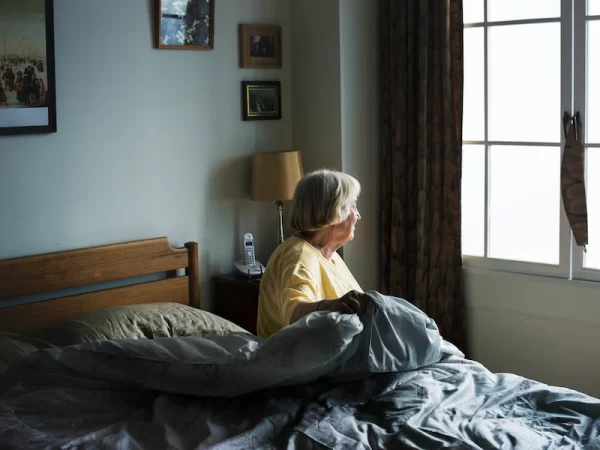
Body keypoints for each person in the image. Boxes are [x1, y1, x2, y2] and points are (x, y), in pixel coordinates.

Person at [256, 169, 369, 338]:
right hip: (295, 358)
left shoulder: (329, 255)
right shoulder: (299, 256)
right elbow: (294, 313)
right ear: (335, 211)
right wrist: (332, 306)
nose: (358, 215)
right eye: (353, 206)